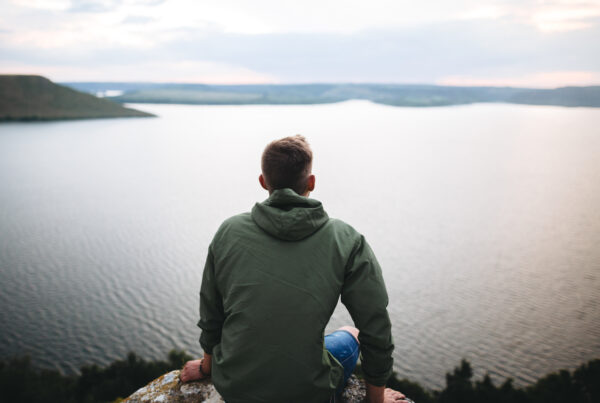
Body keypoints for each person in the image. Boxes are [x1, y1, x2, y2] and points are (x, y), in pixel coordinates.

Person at [181, 135, 408, 403]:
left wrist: (207, 367)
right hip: (308, 392)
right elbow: (375, 326)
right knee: (353, 333)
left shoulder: (228, 231)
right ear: (311, 182)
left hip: (235, 385)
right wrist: (375, 400)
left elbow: (211, 312)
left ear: (263, 182)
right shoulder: (346, 239)